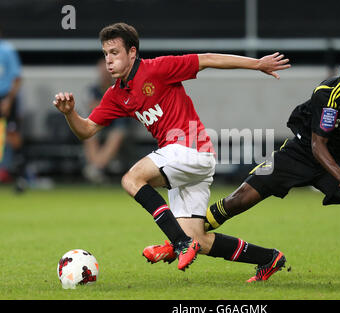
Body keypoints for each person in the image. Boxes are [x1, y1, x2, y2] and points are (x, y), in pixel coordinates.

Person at [53, 22, 291, 280]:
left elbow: (207, 59)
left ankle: (178, 242)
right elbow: (86, 130)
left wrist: (257, 64)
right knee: (198, 238)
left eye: (114, 53)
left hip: (190, 148)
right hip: (184, 161)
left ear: (132, 53)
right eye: (105, 54)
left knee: (131, 178)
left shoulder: (158, 68)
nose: (108, 60)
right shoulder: (115, 95)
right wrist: (70, 114)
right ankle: (268, 258)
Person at [202, 51, 340, 284]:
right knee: (238, 199)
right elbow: (317, 145)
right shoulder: (328, 94)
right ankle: (185, 239)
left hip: (336, 160)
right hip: (299, 152)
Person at [82, 58, 129, 183]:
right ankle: (96, 168)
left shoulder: (120, 86)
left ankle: (95, 168)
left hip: (116, 123)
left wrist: (104, 106)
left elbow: (123, 107)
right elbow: (92, 107)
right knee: (88, 134)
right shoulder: (93, 89)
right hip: (99, 123)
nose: (104, 73)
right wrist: (109, 106)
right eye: (102, 70)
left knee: (117, 134)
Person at [0, 26, 26, 192]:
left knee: (11, 135)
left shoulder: (7, 50)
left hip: (5, 98)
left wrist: (8, 100)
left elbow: (17, 78)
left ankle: (19, 173)